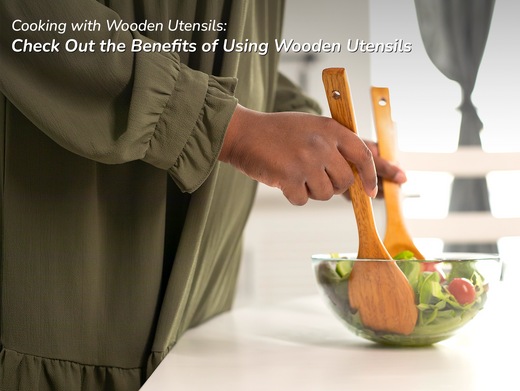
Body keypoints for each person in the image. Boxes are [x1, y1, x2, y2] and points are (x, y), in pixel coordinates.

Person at [0, 1, 406, 390]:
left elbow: (226, 45)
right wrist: (232, 128)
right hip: (75, 273)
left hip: (204, 297)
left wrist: (312, 141)